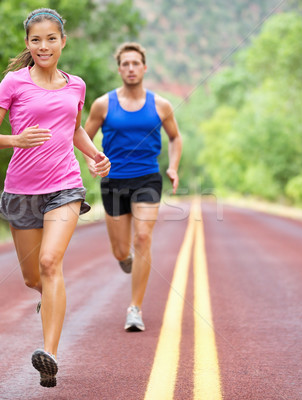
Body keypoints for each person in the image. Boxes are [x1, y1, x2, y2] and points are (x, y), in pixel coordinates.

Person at [0, 8, 110, 388]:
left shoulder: (76, 85)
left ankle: (49, 354)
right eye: (36, 39)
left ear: (63, 41)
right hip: (21, 190)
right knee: (33, 277)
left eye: (51, 38)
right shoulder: (13, 83)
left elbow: (74, 130)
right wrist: (14, 139)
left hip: (64, 186)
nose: (44, 45)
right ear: (27, 44)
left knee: (51, 263)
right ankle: (49, 299)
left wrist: (95, 155)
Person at [84, 42, 182, 332]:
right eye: (125, 64)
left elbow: (176, 138)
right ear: (119, 69)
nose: (130, 68)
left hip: (147, 178)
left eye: (135, 63)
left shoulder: (160, 105)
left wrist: (173, 166)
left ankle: (134, 308)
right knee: (119, 251)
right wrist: (92, 161)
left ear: (144, 68)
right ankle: (124, 258)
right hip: (113, 180)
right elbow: (82, 137)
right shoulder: (103, 104)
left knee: (142, 238)